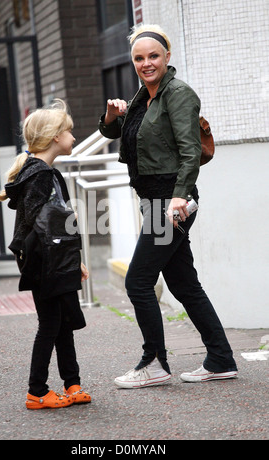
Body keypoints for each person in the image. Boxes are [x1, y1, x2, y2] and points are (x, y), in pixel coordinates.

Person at [99, 24, 238, 388]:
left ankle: (155, 363)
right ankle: (221, 358)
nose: (146, 63)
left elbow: (190, 150)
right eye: (139, 58)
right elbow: (124, 136)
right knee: (183, 283)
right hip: (155, 199)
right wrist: (113, 117)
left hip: (170, 201)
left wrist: (179, 196)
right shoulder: (144, 97)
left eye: (153, 56)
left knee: (138, 281)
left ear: (167, 57)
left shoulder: (178, 94)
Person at [0, 99, 91, 409]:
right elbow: (40, 229)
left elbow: (57, 224)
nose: (73, 137)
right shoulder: (39, 175)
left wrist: (74, 260)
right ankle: (37, 391)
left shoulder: (45, 173)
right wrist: (65, 264)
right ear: (54, 137)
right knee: (51, 324)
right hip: (46, 262)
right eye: (69, 131)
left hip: (53, 260)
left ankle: (72, 384)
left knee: (62, 322)